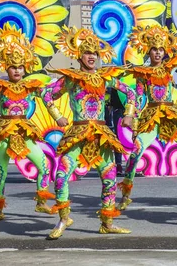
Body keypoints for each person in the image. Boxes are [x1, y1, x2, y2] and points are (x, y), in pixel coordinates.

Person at [42, 26, 136, 239]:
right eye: (87, 53)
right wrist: (58, 116)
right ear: (79, 55)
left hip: (102, 134)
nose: (91, 56)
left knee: (109, 176)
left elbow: (130, 92)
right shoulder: (71, 78)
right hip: (77, 133)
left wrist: (128, 115)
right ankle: (64, 218)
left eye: (94, 53)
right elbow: (46, 95)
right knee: (60, 176)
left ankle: (107, 223)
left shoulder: (105, 77)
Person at [0, 23, 54, 222]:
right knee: (1, 172)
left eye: (20, 67)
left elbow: (50, 99)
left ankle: (41, 202)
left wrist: (58, 116)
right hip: (4, 133)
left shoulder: (32, 86)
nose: (17, 71)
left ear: (25, 68)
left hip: (25, 133)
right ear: (6, 68)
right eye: (13, 67)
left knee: (44, 167)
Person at [117, 24, 177, 211]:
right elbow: (139, 97)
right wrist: (130, 115)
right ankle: (125, 195)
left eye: (160, 49)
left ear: (165, 51)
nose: (157, 53)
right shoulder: (143, 73)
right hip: (152, 116)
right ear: (148, 51)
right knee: (135, 152)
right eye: (154, 49)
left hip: (171, 116)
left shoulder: (169, 67)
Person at [105, 87, 124, 175]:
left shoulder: (128, 81)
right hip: (116, 111)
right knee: (117, 138)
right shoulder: (112, 83)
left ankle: (131, 164)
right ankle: (118, 164)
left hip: (128, 112)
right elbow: (107, 98)